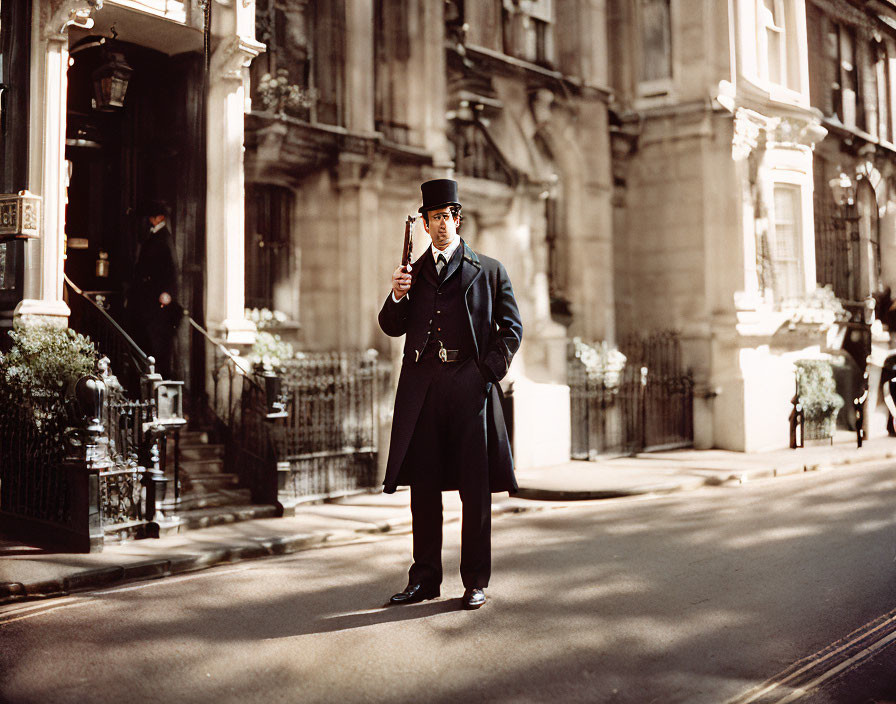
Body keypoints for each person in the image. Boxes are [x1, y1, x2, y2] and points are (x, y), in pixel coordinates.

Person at [378, 178, 523, 610]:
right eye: (434, 217)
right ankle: (424, 579)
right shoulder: (414, 271)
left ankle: (475, 579)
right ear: (424, 222)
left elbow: (512, 330)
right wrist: (396, 294)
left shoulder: (490, 270)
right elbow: (391, 325)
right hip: (423, 394)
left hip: (469, 391)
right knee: (423, 491)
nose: (442, 224)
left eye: (448, 216)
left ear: (458, 220)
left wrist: (485, 375)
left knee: (474, 491)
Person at [130, 200, 179, 379]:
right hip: (146, 297)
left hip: (156, 299)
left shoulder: (164, 237)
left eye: (153, 216)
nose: (150, 220)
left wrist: (168, 292)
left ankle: (160, 380)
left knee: (157, 342)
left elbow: (172, 268)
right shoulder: (152, 236)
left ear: (160, 218)